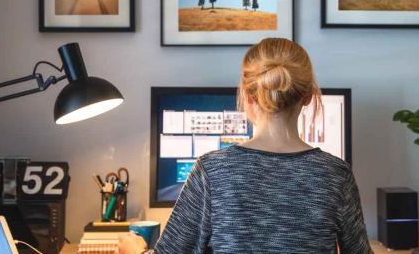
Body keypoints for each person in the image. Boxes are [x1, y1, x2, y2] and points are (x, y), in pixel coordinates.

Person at [119, 38, 370, 254]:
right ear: (307, 96)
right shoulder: (337, 174)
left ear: (248, 96)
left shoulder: (212, 170)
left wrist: (136, 249)